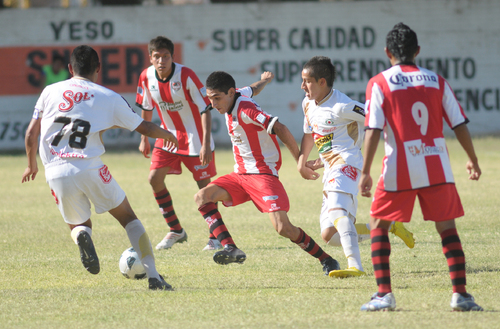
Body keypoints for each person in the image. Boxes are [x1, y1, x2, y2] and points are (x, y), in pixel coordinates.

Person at [22, 45, 177, 291]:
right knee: (128, 218)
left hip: (55, 171)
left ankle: (82, 235)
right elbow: (145, 128)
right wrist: (168, 135)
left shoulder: (49, 91)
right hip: (90, 165)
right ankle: (154, 278)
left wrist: (32, 165)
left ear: (70, 68)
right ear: (98, 69)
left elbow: (31, 133)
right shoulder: (108, 96)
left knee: (79, 224)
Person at [359, 23, 483, 311]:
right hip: (436, 163)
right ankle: (461, 295)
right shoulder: (436, 81)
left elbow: (373, 129)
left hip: (399, 166)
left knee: (378, 224)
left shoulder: (379, 82)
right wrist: (473, 159)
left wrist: (365, 170)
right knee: (447, 228)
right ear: (417, 51)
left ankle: (384, 295)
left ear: (388, 52)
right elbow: (459, 124)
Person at [194, 70, 341, 276]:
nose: (214, 104)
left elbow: (280, 128)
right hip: (240, 175)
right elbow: (253, 89)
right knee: (202, 197)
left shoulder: (245, 109)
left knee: (283, 228)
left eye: (217, 99)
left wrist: (301, 162)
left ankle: (327, 260)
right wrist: (265, 80)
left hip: (263, 175)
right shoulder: (235, 94)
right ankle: (230, 247)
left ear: (229, 93)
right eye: (210, 99)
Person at [135, 35, 274, 252]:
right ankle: (175, 230)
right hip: (167, 137)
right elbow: (146, 107)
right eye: (157, 57)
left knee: (205, 189)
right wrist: (144, 137)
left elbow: (205, 107)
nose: (161, 61)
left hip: (195, 139)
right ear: (150, 58)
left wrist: (205, 143)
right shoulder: (145, 77)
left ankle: (215, 237)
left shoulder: (186, 75)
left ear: (172, 57)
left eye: (166, 56)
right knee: (154, 179)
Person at [297, 57, 415, 278]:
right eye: (302, 81)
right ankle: (387, 227)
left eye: (307, 81)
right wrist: (302, 161)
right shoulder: (307, 103)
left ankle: (355, 266)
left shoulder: (343, 106)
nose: (302, 86)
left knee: (337, 211)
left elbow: (377, 115)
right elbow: (309, 134)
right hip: (331, 168)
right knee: (329, 235)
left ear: (322, 82)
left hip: (348, 164)